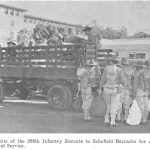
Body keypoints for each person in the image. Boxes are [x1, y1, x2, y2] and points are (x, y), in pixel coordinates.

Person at [99, 57, 123, 126]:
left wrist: (100, 88)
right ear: (116, 62)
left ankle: (106, 119)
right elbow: (122, 80)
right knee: (114, 106)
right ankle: (112, 121)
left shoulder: (106, 69)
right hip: (115, 89)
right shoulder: (119, 70)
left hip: (106, 89)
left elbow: (102, 80)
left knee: (108, 105)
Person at [117, 58, 134, 123]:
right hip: (128, 89)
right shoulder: (131, 70)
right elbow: (132, 80)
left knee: (119, 103)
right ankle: (126, 118)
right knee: (126, 104)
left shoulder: (119, 70)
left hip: (121, 88)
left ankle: (118, 117)